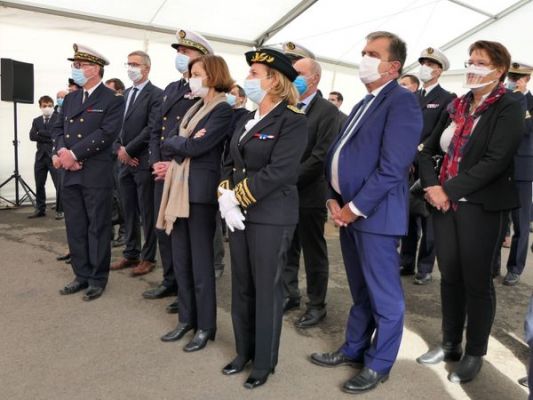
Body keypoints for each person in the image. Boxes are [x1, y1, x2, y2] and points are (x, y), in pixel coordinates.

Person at [310, 31, 422, 395]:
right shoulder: (364, 102)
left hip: (373, 216)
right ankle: (354, 348)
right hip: (347, 212)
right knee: (360, 289)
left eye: (371, 53)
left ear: (392, 66)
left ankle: (379, 364)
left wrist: (353, 209)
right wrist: (332, 196)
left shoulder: (401, 101)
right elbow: (338, 154)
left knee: (384, 296)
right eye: (363, 52)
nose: (363, 58)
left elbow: (393, 167)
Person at [416, 40, 524, 384]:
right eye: (470, 61)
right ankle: (449, 343)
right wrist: (434, 187)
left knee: (477, 282)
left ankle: (474, 351)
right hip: (444, 205)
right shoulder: (456, 105)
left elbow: (496, 160)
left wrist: (448, 190)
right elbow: (427, 149)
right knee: (450, 278)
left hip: (481, 206)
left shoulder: (509, 106)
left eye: (481, 62)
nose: (473, 67)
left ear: (499, 70)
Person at [218, 48, 307, 389]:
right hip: (238, 215)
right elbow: (231, 162)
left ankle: (264, 362)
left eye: (255, 74)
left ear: (275, 81)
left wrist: (237, 198)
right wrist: (225, 197)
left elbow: (281, 171)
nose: (248, 80)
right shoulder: (244, 119)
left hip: (271, 216)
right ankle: (244, 352)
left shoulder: (294, 120)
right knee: (241, 285)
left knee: (267, 289)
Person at [158, 54, 233, 352]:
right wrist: (182, 143)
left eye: (197, 73)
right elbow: (176, 141)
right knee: (182, 260)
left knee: (201, 265)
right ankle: (186, 320)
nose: (192, 78)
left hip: (200, 194)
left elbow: (196, 145)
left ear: (213, 75)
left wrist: (180, 143)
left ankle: (205, 326)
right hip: (180, 189)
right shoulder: (195, 107)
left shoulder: (222, 109)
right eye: (191, 73)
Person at [145, 29, 214, 315]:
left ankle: (183, 287)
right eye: (179, 52)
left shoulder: (204, 89)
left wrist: (169, 164)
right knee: (163, 228)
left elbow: (193, 135)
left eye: (186, 52)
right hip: (162, 168)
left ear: (203, 57)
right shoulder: (173, 88)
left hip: (181, 170)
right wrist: (155, 162)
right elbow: (156, 129)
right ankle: (170, 279)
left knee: (182, 234)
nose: (180, 57)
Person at [53, 43, 125, 301]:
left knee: (97, 226)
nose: (76, 69)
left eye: (80, 65)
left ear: (95, 69)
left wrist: (73, 155)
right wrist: (61, 152)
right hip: (71, 172)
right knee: (76, 226)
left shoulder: (112, 100)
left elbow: (106, 134)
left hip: (95, 171)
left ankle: (97, 277)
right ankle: (80, 274)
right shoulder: (71, 98)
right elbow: (58, 129)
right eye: (75, 65)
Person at [283, 57, 340, 328]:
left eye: (299, 73)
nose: (293, 77)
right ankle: (289, 293)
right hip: (284, 192)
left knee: (313, 251)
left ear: (314, 78)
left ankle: (317, 304)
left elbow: (320, 157)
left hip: (310, 193)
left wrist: (286, 179)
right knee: (287, 248)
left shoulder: (328, 112)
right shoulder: (286, 106)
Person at [400, 47, 456, 285]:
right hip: (406, 165)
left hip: (429, 165)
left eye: (430, 64)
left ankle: (425, 266)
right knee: (407, 216)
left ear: (439, 70)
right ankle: (406, 260)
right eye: (422, 62)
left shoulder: (448, 98)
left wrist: (420, 154)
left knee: (429, 219)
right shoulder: (412, 97)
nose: (424, 67)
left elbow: (440, 134)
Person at [110, 51, 163, 277]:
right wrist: (119, 150)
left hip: (141, 161)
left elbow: (151, 128)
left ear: (147, 68)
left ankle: (148, 257)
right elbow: (113, 126)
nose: (131, 68)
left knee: (146, 212)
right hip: (124, 162)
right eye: (128, 63)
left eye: (135, 64)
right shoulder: (125, 95)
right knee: (128, 209)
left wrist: (129, 150)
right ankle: (131, 252)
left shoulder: (156, 95)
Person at [503, 62, 533, 286]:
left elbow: (523, 129)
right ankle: (492, 264)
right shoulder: (503, 99)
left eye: (518, 77)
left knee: (521, 223)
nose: (514, 80)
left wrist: (521, 97)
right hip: (501, 168)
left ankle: (515, 268)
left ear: (527, 80)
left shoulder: (529, 102)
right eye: (512, 76)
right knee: (497, 219)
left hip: (523, 170)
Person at [28, 95, 62, 220]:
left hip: (54, 156)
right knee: (39, 184)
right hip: (40, 157)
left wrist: (40, 133)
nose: (47, 108)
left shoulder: (58, 118)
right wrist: (47, 136)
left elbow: (56, 136)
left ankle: (60, 210)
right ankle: (40, 209)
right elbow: (32, 136)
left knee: (58, 184)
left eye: (49, 105)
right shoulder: (36, 120)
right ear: (40, 107)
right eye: (44, 106)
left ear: (53, 106)